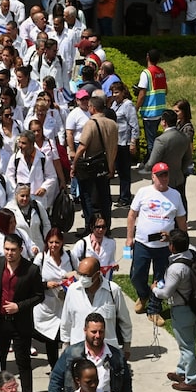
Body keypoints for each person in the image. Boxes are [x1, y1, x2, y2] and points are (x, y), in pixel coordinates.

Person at [0, 233, 44, 392]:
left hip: (20, 323)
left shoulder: (31, 270)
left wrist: (19, 306)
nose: (9, 253)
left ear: (21, 250)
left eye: (13, 250)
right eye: (7, 249)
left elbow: (39, 296)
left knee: (23, 361)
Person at [127, 162, 187, 326]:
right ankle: (144, 294)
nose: (163, 178)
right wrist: (129, 237)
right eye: (160, 175)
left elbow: (181, 220)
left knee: (161, 279)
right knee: (136, 276)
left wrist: (181, 242)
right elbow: (132, 215)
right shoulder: (143, 192)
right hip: (142, 243)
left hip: (165, 247)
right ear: (153, 177)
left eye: (165, 174)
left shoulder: (175, 195)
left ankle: (154, 309)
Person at [48, 312, 134, 392]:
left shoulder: (116, 356)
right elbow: (56, 379)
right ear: (85, 330)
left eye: (101, 332)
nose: (97, 336)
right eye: (93, 332)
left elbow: (126, 385)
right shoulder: (71, 354)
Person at [152, 229, 196, 392]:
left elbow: (165, 293)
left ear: (172, 247)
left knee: (186, 346)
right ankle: (182, 371)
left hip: (182, 310)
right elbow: (191, 246)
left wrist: (154, 289)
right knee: (188, 342)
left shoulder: (176, 269)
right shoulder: (193, 254)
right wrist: (174, 238)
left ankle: (193, 381)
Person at [60, 256, 131, 354]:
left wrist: (126, 346)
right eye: (80, 274)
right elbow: (66, 320)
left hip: (107, 350)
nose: (82, 278)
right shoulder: (73, 290)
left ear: (97, 274)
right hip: (79, 349)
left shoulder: (113, 291)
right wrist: (65, 345)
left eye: (86, 275)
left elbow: (125, 320)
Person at [32, 228, 77, 370]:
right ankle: (55, 367)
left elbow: (79, 273)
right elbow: (31, 280)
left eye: (57, 242)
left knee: (66, 337)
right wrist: (46, 285)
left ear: (62, 242)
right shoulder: (41, 258)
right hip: (47, 304)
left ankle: (66, 366)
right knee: (50, 338)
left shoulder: (69, 256)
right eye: (51, 242)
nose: (54, 245)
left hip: (66, 303)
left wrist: (69, 277)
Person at [71, 95, 117, 229]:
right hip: (106, 166)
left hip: (91, 168)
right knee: (105, 198)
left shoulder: (91, 123)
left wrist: (74, 164)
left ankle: (90, 226)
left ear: (93, 108)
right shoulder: (113, 124)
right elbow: (114, 147)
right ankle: (106, 226)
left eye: (89, 106)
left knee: (89, 198)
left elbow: (82, 146)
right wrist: (111, 165)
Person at [148, 109, 191, 212]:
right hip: (178, 177)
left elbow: (153, 162)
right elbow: (188, 158)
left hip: (163, 180)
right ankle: (181, 224)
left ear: (164, 122)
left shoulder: (161, 140)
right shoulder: (184, 137)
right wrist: (180, 170)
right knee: (180, 202)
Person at [6, 131, 58, 212]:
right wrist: (16, 188)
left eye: (23, 143)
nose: (20, 145)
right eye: (19, 142)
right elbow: (9, 176)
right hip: (21, 199)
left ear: (31, 144)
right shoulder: (15, 158)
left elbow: (52, 176)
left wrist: (44, 187)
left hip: (38, 198)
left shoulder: (43, 158)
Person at [135, 49, 167, 173]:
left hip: (149, 112)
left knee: (151, 142)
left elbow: (142, 94)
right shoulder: (161, 72)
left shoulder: (146, 73)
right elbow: (165, 90)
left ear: (147, 57)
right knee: (153, 138)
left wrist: (136, 108)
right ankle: (148, 161)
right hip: (159, 110)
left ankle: (151, 165)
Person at [110, 81, 138, 206]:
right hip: (116, 143)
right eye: (113, 92)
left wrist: (133, 142)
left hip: (124, 143)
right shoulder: (115, 105)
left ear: (123, 92)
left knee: (124, 172)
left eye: (117, 92)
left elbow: (134, 125)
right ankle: (123, 195)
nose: (114, 95)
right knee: (119, 172)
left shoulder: (128, 105)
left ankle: (125, 198)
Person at [6, 184, 51, 255]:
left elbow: (46, 224)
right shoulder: (9, 209)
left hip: (40, 249)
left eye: (27, 195)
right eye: (22, 196)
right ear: (16, 195)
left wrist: (47, 240)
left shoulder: (37, 206)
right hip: (21, 251)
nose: (25, 199)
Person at [71, 214, 118, 278]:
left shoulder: (111, 243)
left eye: (103, 227)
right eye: (98, 227)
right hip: (87, 280)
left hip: (104, 280)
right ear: (91, 227)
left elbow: (111, 260)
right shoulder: (82, 243)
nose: (101, 230)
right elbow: (73, 260)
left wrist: (114, 265)